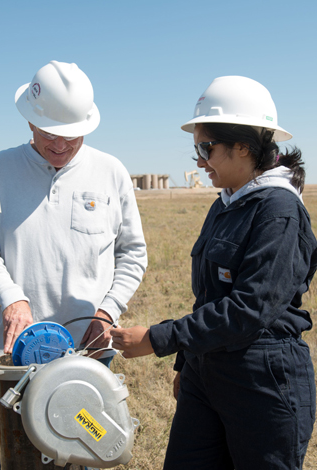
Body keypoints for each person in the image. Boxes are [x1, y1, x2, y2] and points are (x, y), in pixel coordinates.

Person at [111, 75, 317, 470]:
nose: (200, 161)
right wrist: (187, 365)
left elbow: (249, 309)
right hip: (207, 372)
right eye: (196, 151)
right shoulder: (225, 204)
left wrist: (159, 339)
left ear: (244, 147)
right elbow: (208, 297)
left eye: (207, 148)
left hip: (261, 378)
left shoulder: (278, 210)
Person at [0, 60, 147, 470]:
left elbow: (133, 253)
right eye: (50, 134)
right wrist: (11, 299)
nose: (61, 145)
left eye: (72, 136)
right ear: (30, 122)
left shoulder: (112, 172)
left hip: (87, 358)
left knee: (85, 456)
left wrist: (107, 311)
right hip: (12, 356)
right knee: (6, 459)